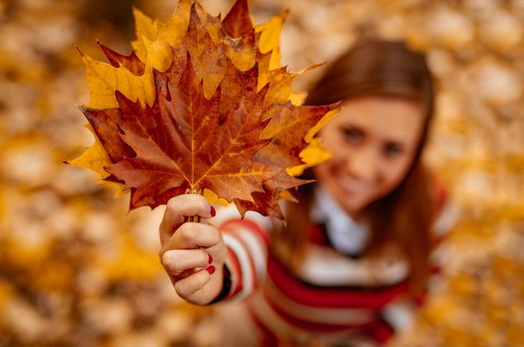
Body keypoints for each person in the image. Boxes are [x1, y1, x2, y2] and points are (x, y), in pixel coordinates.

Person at [158, 39, 453, 346]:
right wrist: (217, 271)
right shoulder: (275, 184)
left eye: (393, 149)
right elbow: (243, 237)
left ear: (416, 153)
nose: (361, 169)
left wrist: (369, 341)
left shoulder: (431, 205)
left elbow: (421, 285)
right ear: (317, 118)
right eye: (351, 134)